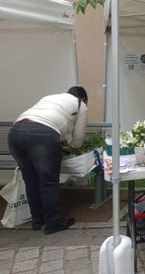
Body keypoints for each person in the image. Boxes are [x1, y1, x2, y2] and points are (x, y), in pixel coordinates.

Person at [8, 86, 89, 235]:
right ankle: (53, 222)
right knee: (48, 182)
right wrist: (74, 146)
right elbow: (77, 140)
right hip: (42, 136)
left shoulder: (50, 98)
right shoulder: (80, 104)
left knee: (31, 181)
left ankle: (37, 220)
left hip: (15, 133)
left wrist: (57, 137)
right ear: (84, 99)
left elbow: (48, 120)